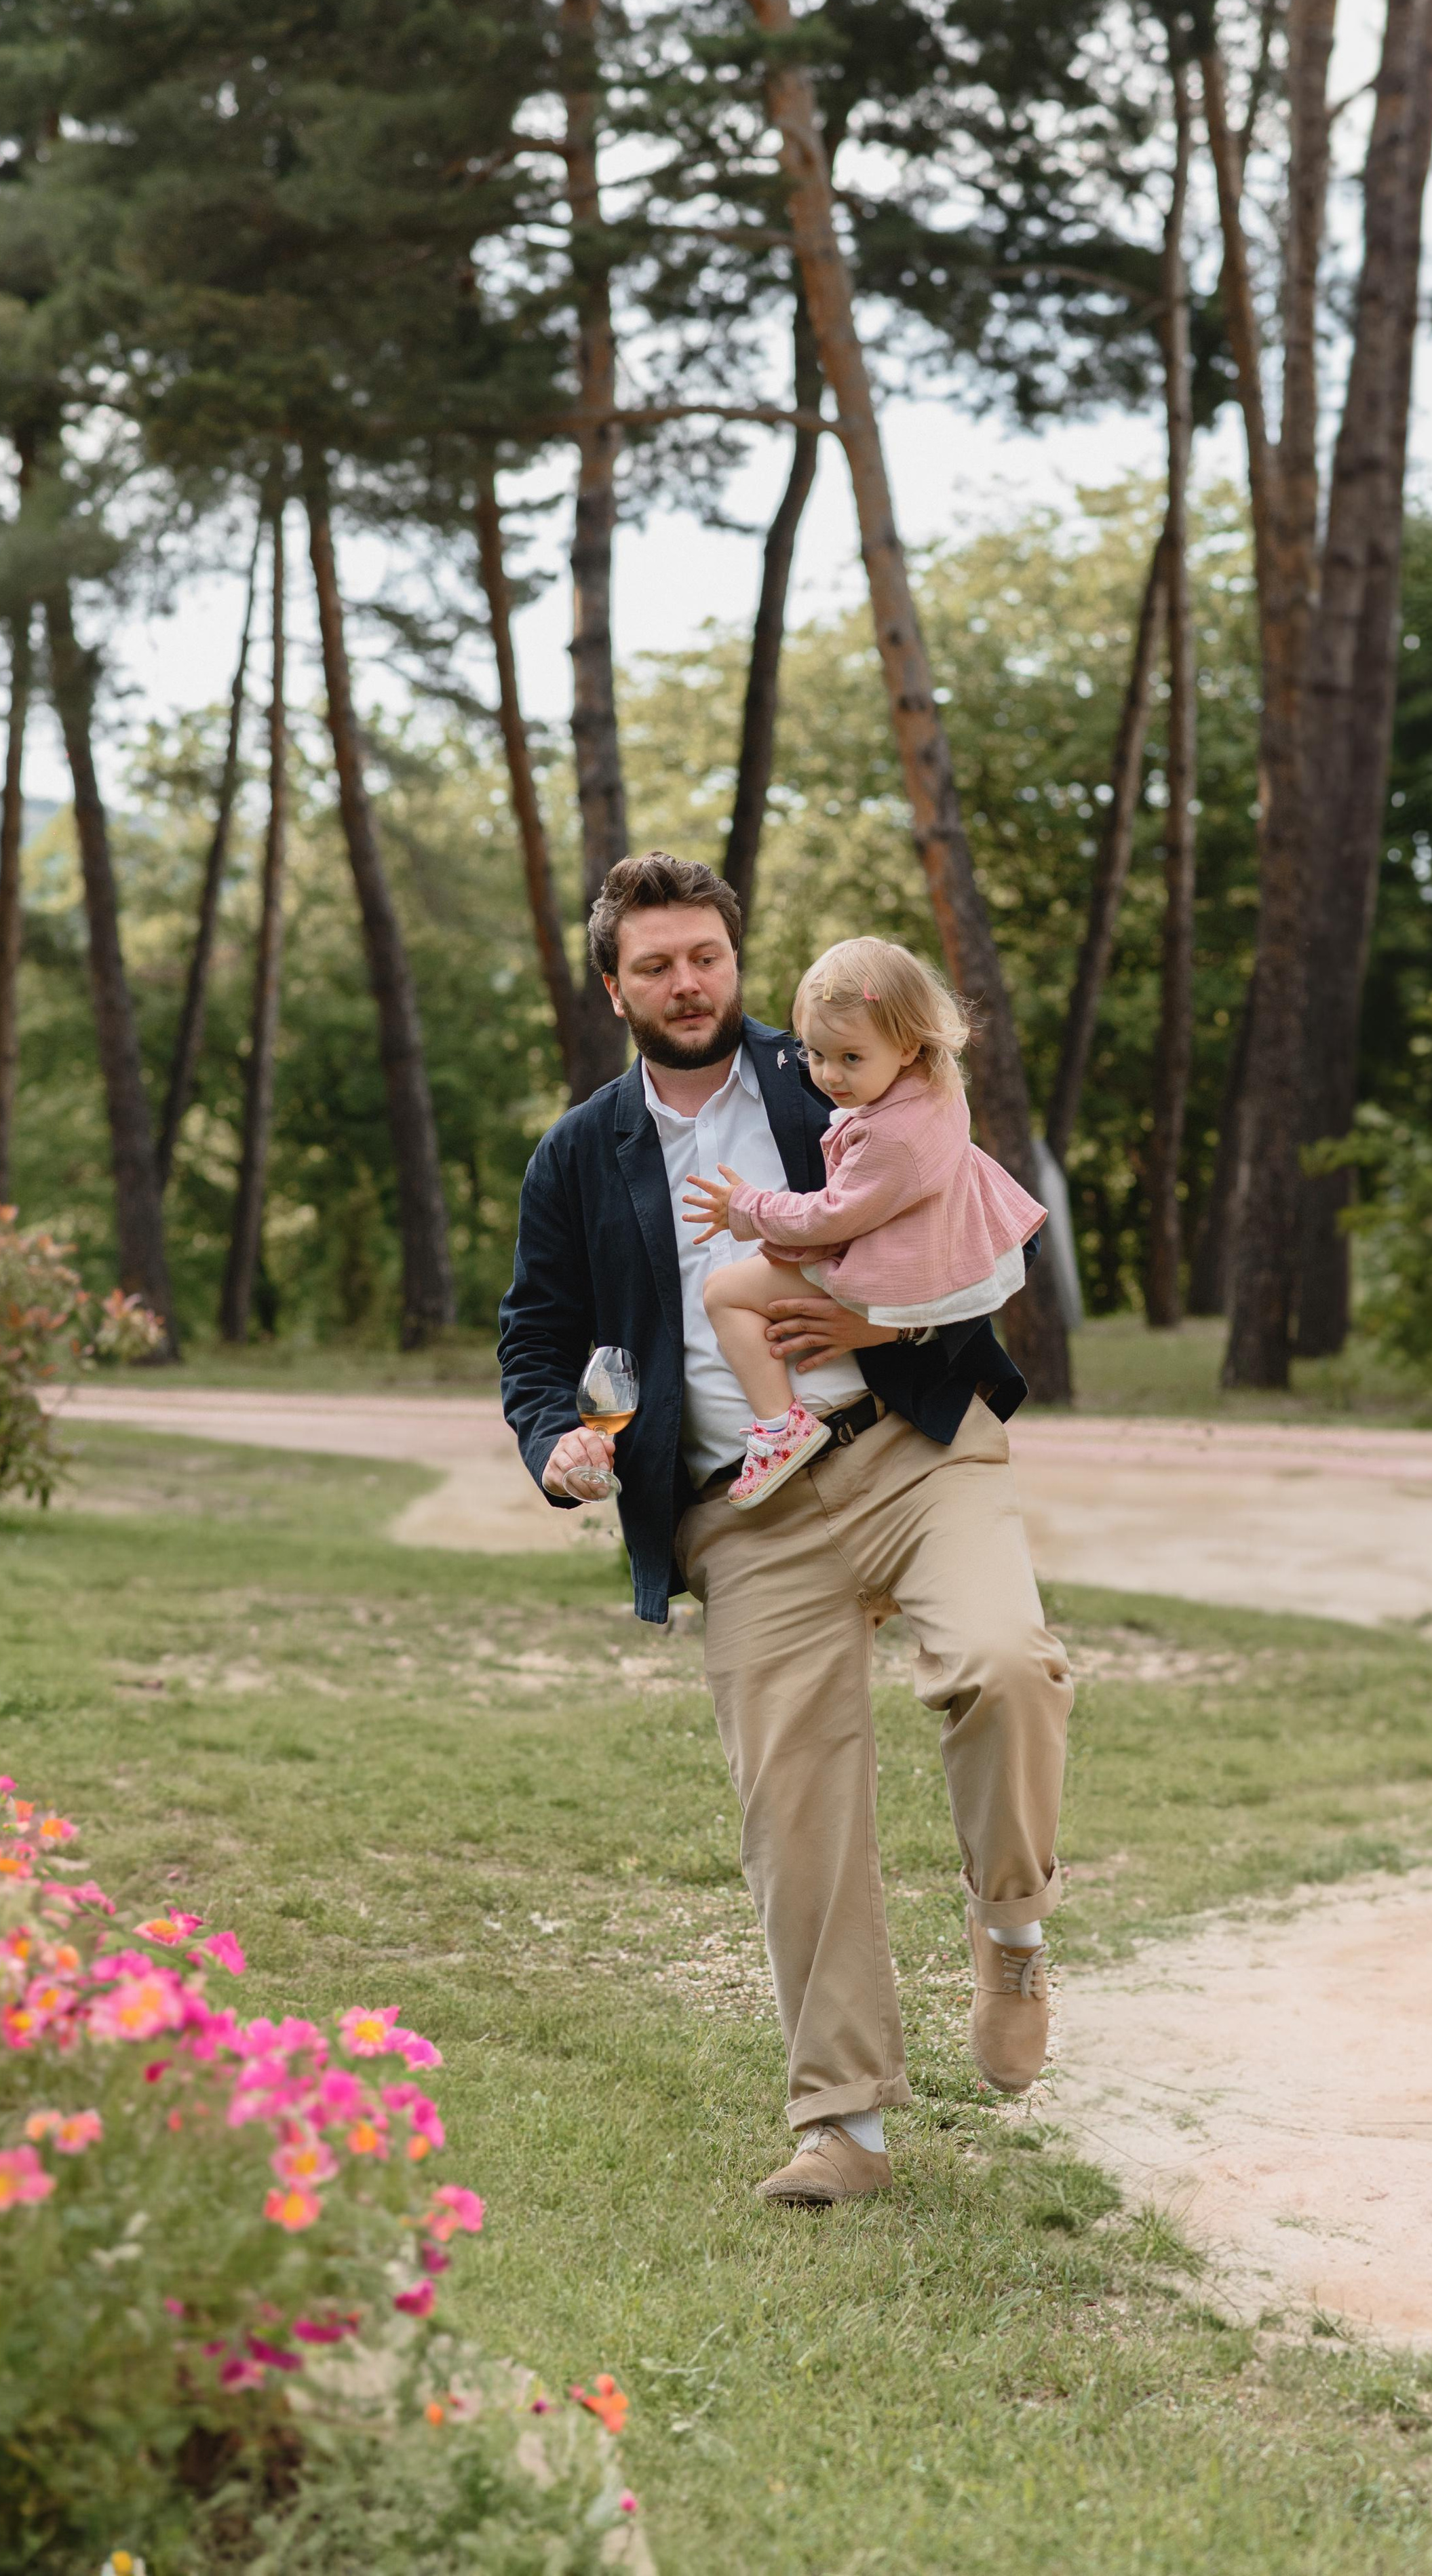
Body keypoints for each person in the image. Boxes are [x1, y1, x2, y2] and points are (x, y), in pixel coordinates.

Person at [499, 853, 1072, 2208]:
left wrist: (876, 1325)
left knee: (1003, 1665)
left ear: (733, 960)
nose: (685, 981)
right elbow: (534, 1340)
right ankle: (846, 2131)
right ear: (611, 985)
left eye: (704, 954)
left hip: (913, 1448)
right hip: (741, 1510)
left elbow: (984, 1246)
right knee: (796, 1811)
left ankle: (1010, 1930)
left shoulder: (848, 1066)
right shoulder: (580, 1153)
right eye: (654, 964)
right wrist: (558, 1445)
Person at [681, 936, 1045, 1510]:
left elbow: (833, 1214)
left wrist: (747, 1208)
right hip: (921, 1257)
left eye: (851, 1057)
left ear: (906, 1044)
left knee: (724, 1293)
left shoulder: (889, 1136)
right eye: (816, 1054)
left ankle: (780, 1428)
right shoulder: (932, 1088)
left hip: (891, 1279)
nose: (829, 1076)